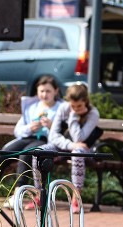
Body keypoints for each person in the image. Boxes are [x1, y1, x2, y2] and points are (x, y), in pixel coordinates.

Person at [33, 83, 101, 213]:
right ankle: (39, 196)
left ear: (86, 101)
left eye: (79, 106)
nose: (75, 108)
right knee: (40, 152)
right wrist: (70, 145)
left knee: (77, 153)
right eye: (72, 106)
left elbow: (79, 138)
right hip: (63, 146)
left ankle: (76, 198)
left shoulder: (93, 113)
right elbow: (53, 135)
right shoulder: (64, 108)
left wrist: (73, 117)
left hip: (84, 148)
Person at [1, 75, 61, 210]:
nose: (44, 95)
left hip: (46, 140)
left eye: (48, 91)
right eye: (41, 91)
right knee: (3, 152)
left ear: (56, 91)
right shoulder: (32, 106)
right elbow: (18, 130)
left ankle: (17, 194)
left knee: (26, 154)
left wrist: (52, 126)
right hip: (28, 137)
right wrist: (30, 127)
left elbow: (65, 132)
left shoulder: (61, 108)